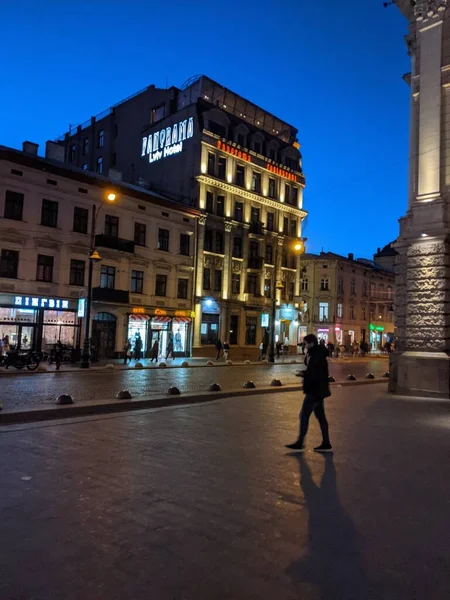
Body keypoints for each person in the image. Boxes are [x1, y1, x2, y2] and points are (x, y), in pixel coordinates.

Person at [285, 333, 332, 453]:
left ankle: (300, 442)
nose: (304, 346)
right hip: (318, 390)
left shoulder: (317, 355)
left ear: (311, 343)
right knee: (321, 417)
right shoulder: (316, 354)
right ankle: (326, 442)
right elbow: (312, 369)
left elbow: (315, 373)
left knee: (304, 415)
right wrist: (305, 372)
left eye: (306, 343)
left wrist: (304, 374)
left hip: (314, 391)